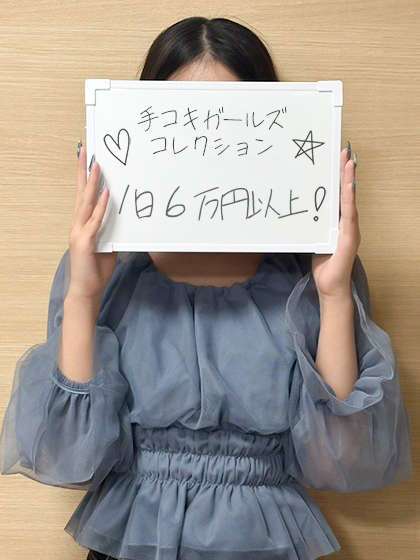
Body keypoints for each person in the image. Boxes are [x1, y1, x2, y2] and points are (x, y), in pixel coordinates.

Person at [0, 16, 413, 560]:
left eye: (231, 122)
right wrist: (83, 293)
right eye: (182, 123)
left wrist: (333, 292)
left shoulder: (308, 271)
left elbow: (341, 459)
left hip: (265, 537)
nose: (205, 148)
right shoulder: (110, 269)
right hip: (132, 538)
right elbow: (70, 459)